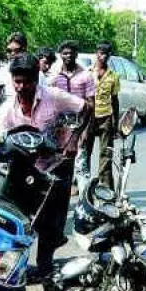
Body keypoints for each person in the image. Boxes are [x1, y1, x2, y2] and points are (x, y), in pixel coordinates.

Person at [0, 54, 86, 282]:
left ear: (36, 80)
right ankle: (7, 267)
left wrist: (74, 139)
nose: (21, 87)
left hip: (55, 167)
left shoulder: (53, 96)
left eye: (26, 82)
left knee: (50, 224)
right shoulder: (7, 108)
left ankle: (44, 267)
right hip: (23, 170)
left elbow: (85, 107)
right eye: (17, 82)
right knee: (15, 218)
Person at [49, 40, 95, 195]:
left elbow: (90, 105)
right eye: (65, 53)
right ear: (61, 55)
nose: (68, 56)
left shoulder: (86, 76)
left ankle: (85, 204)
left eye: (71, 53)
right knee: (57, 164)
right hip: (59, 125)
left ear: (76, 55)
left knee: (81, 165)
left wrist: (83, 131)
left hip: (79, 122)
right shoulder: (56, 76)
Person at [80, 42, 120, 190]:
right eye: (100, 53)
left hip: (106, 116)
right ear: (96, 53)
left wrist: (115, 123)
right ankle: (82, 184)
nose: (102, 56)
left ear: (109, 56)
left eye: (105, 54)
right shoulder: (87, 73)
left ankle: (105, 186)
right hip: (89, 117)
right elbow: (82, 97)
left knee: (106, 153)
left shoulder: (113, 76)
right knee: (85, 151)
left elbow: (115, 100)